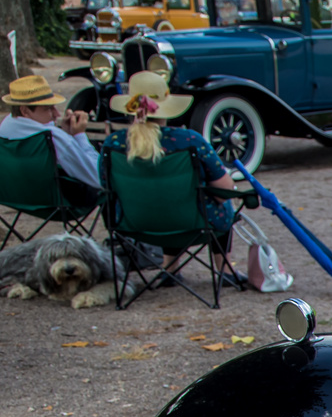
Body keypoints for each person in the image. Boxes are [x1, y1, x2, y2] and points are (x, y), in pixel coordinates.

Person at [99, 71, 244, 277]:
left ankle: (169, 268)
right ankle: (224, 269)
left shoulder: (113, 144)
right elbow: (224, 191)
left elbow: (107, 187)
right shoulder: (189, 141)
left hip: (134, 224)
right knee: (220, 200)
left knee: (162, 200)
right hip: (195, 223)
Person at [0, 75, 101, 206]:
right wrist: (79, 135)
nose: (57, 114)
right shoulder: (52, 137)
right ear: (25, 111)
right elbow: (98, 177)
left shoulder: (4, 128)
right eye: (48, 108)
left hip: (15, 199)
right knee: (110, 175)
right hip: (57, 204)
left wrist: (65, 133)